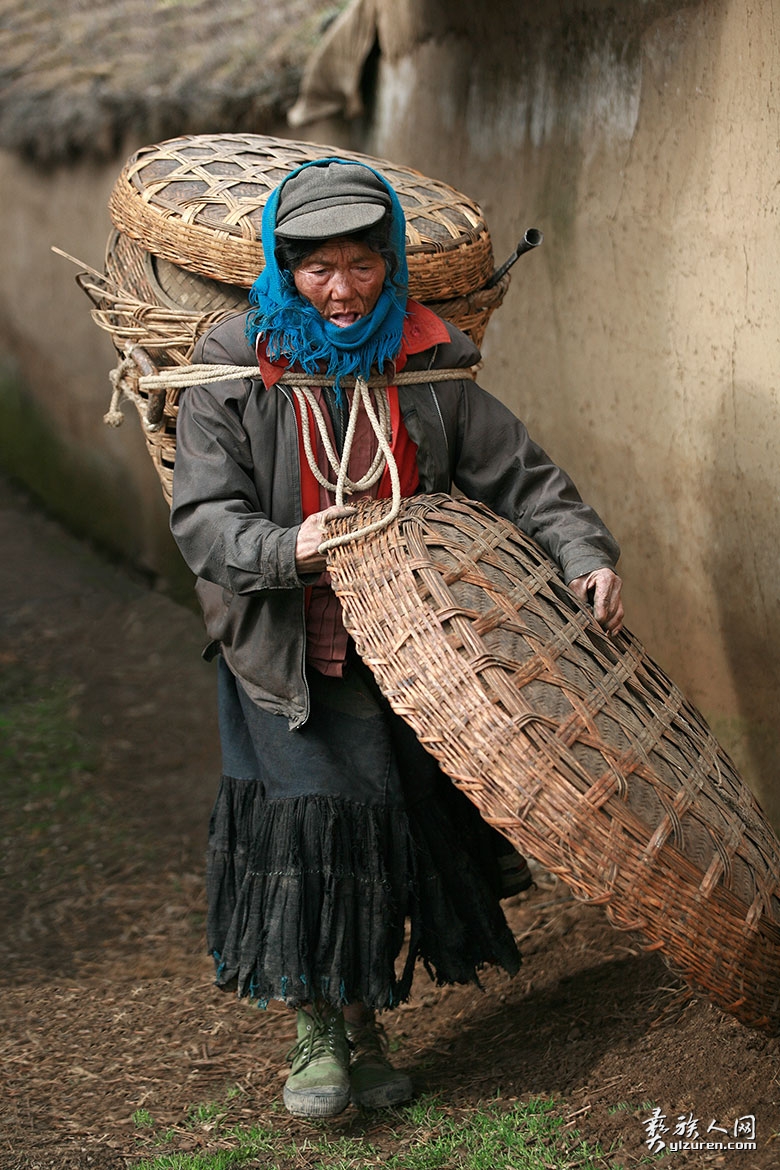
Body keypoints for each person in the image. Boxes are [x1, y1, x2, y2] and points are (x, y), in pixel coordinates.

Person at [169, 158, 624, 1119]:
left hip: (413, 650)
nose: (342, 291)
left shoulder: (427, 364)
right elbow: (204, 519)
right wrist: (287, 546)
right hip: (287, 653)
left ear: (391, 268)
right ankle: (315, 1040)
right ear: (282, 269)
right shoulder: (231, 373)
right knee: (313, 828)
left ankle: (367, 1029)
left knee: (377, 835)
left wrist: (585, 554)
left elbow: (525, 478)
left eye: (362, 266)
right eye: (318, 270)